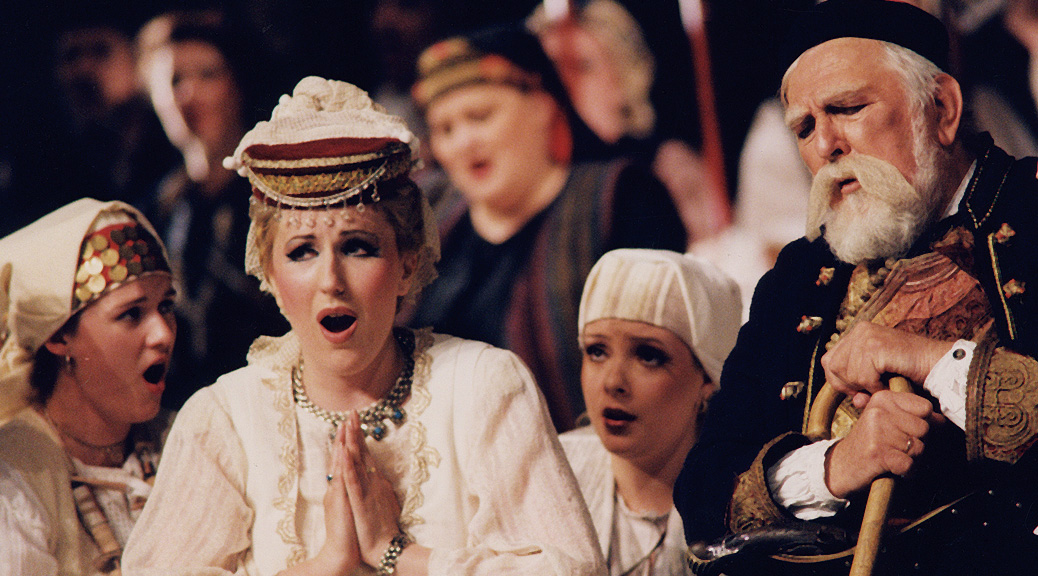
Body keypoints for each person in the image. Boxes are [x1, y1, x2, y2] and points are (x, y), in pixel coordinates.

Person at [122, 76, 604, 576]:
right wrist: (327, 565)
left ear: (407, 264)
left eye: (358, 247)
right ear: (271, 276)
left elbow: (575, 570)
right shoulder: (225, 420)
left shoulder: (484, 386)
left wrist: (395, 551)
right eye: (302, 252)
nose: (331, 280)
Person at [672, 1, 1038, 574]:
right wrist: (836, 466)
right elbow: (704, 496)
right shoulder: (796, 279)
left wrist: (926, 360)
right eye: (804, 127)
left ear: (942, 109)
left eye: (847, 109)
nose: (826, 145)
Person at [406, 24, 688, 432]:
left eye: (480, 117)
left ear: (542, 107)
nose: (463, 141)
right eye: (445, 129)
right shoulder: (428, 212)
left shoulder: (619, 199)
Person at [0, 198, 177, 574]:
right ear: (58, 336)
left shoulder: (186, 438)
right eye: (132, 314)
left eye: (166, 306)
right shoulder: (15, 476)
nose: (163, 334)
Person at [135, 10, 289, 410]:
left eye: (208, 75)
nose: (190, 94)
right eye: (174, 80)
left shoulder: (279, 193)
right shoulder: (156, 209)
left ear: (237, 83)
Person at [562, 248, 740, 575]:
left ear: (707, 378)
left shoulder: (744, 501)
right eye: (597, 351)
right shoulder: (551, 476)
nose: (613, 382)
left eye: (648, 356)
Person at [527, 0, 731, 245]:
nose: (562, 85)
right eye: (551, 71)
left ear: (623, 77)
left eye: (581, 67)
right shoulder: (533, 178)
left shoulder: (666, 170)